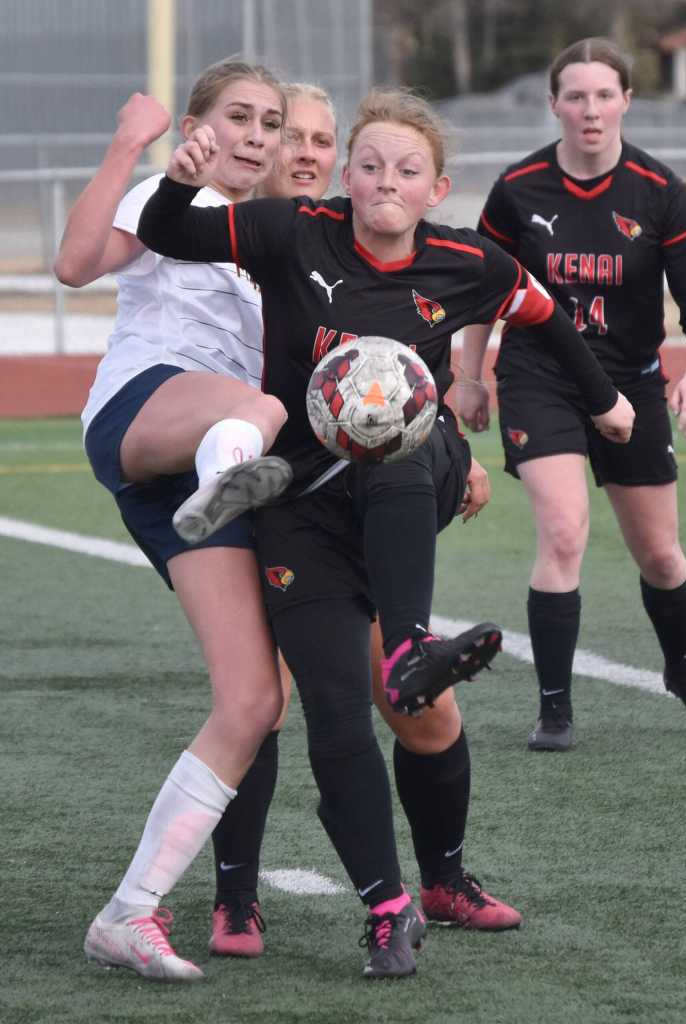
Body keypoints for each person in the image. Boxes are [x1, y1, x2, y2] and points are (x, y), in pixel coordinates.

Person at [136, 85, 635, 979]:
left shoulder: (467, 260)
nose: (384, 182)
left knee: (395, 425)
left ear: (436, 187)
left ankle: (409, 645)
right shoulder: (295, 230)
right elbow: (172, 234)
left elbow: (543, 318)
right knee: (333, 705)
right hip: (306, 512)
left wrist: (607, 403)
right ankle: (389, 906)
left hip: (419, 472)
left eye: (406, 170)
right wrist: (176, 185)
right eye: (367, 165)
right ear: (347, 177)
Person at [207, 82, 523, 963]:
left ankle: (443, 882)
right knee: (259, 702)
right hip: (254, 494)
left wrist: (449, 443)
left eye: (316, 137)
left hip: (363, 495)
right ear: (259, 148)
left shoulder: (353, 238)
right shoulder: (245, 235)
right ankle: (236, 895)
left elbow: (408, 354)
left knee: (419, 710)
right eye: (287, 137)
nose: (302, 151)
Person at [54, 59, 297, 983]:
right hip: (145, 414)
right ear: (200, 123)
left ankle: (130, 912)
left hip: (200, 473)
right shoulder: (171, 190)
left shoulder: (272, 234)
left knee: (255, 699)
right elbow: (75, 268)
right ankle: (231, 471)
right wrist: (132, 145)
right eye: (239, 116)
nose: (257, 135)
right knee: (252, 410)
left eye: (270, 123)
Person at [458, 37, 686, 752]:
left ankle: (684, 673)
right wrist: (468, 375)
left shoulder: (659, 190)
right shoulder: (518, 189)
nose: (590, 110)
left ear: (626, 102)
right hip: (540, 377)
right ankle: (555, 709)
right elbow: (482, 293)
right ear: (554, 104)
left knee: (662, 557)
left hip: (633, 383)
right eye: (575, 96)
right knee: (563, 533)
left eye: (604, 95)